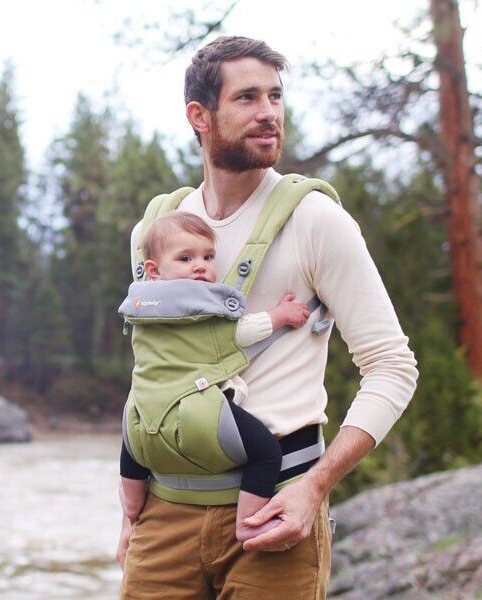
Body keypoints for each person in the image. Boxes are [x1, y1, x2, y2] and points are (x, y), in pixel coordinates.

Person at [117, 36, 418, 599]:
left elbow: (392, 366)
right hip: (163, 516)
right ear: (199, 116)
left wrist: (315, 488)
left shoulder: (316, 220)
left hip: (276, 510)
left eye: (276, 97)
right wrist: (131, 511)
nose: (268, 113)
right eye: (248, 97)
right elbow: (156, 369)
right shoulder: (156, 229)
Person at [120, 210, 312, 542]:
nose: (201, 265)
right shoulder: (200, 306)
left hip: (139, 411)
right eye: (186, 258)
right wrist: (281, 315)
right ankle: (248, 521)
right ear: (153, 269)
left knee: (134, 449)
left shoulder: (138, 307)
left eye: (208, 256)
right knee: (266, 452)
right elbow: (239, 333)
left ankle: (132, 505)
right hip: (195, 410)